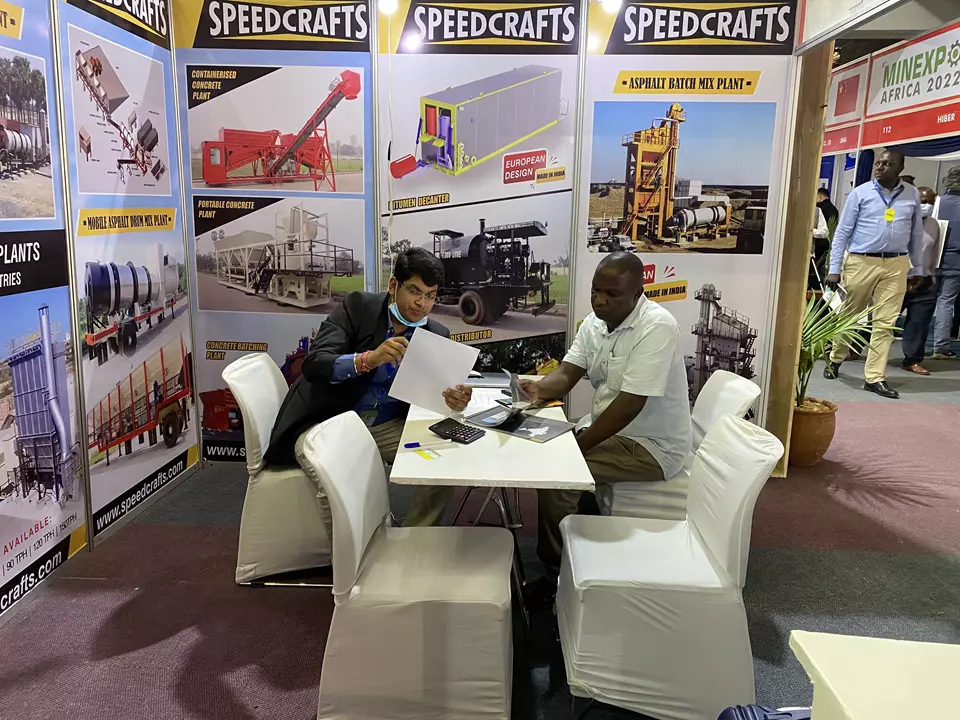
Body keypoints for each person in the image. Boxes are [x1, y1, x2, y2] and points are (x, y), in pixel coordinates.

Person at [518, 253, 692, 602]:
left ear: (637, 293)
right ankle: (579, 541)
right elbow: (567, 373)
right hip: (612, 433)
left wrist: (576, 448)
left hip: (650, 445)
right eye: (596, 291)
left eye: (612, 294)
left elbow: (630, 404)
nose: (600, 300)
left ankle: (556, 576)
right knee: (555, 456)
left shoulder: (656, 326)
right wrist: (539, 388)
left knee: (557, 475)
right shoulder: (594, 324)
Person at [264, 248, 472, 526]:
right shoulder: (358, 307)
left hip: (386, 426)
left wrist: (451, 400)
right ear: (393, 285)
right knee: (343, 487)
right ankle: (351, 545)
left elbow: (431, 395)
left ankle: (415, 537)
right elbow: (314, 364)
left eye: (430, 295)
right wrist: (368, 360)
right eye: (414, 291)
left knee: (445, 459)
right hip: (331, 421)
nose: (421, 303)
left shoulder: (436, 335)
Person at [823, 150, 924, 399]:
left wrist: (917, 268)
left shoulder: (911, 194)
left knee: (885, 323)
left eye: (887, 164)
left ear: (900, 168)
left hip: (896, 264)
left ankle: (874, 377)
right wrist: (834, 269)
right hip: (861, 261)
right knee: (849, 316)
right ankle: (836, 357)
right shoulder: (860, 193)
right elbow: (842, 233)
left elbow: (916, 234)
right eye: (878, 162)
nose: (880, 166)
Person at [899, 186, 941, 374]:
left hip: (924, 282)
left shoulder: (934, 225)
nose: (927, 206)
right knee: (880, 320)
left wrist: (932, 277)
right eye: (923, 202)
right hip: (900, 280)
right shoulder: (900, 220)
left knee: (919, 323)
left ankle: (912, 360)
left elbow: (934, 254)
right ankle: (855, 346)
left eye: (931, 202)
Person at [932, 167, 960, 359]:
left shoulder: (938, 201)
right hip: (957, 259)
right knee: (946, 302)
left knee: (927, 302)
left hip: (934, 256)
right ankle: (941, 347)